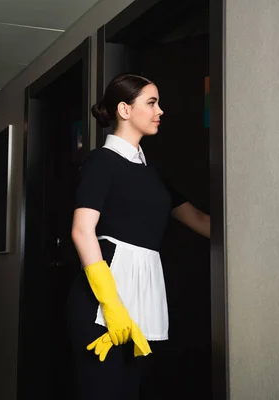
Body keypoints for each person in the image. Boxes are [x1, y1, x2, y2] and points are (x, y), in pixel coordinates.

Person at [67, 73, 210, 400]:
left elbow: (200, 221)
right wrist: (111, 303)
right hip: (103, 302)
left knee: (131, 391)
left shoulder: (152, 170)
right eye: (151, 102)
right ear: (124, 110)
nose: (160, 110)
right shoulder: (100, 162)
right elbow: (81, 230)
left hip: (144, 294)